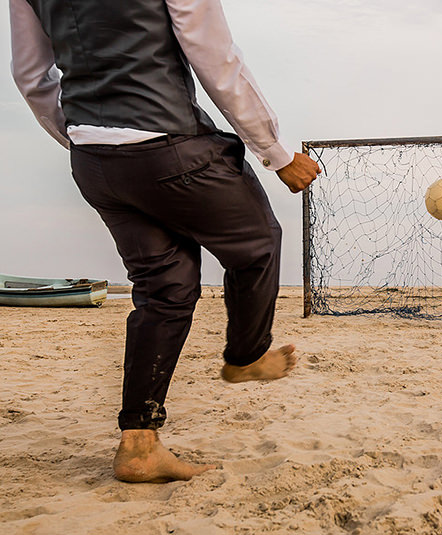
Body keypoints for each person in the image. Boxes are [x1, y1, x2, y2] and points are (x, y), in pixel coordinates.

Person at [9, 0, 321, 483]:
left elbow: (31, 75)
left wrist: (83, 137)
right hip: (168, 144)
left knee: (165, 291)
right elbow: (215, 57)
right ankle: (246, 356)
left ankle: (138, 444)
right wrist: (275, 152)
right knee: (257, 242)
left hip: (95, 160)